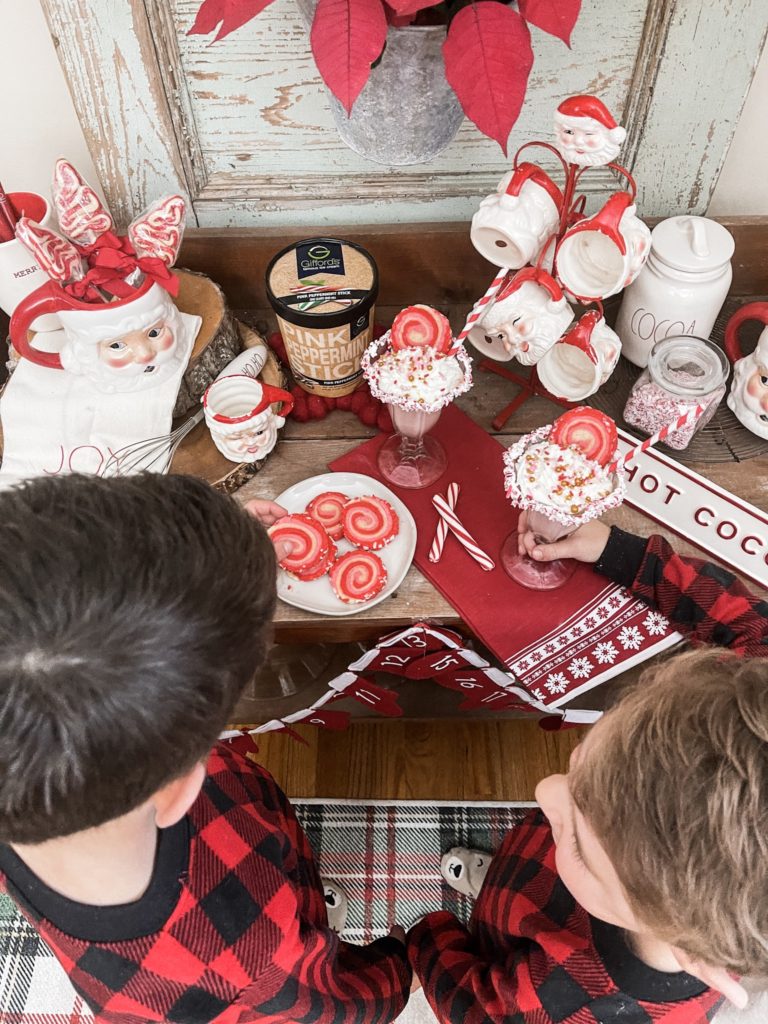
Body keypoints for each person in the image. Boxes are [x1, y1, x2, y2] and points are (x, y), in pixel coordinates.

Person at [0, 474, 411, 1024]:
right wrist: (403, 963)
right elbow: (343, 1005)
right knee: (302, 908)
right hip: (262, 898)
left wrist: (210, 563)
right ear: (182, 785)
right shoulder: (243, 952)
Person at [408, 517, 768, 1022]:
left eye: (577, 838)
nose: (545, 790)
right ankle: (508, 881)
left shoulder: (560, 1005)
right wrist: (620, 552)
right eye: (588, 763)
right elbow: (749, 620)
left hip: (511, 939)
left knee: (496, 924)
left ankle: (492, 900)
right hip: (534, 876)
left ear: (698, 959)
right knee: (509, 889)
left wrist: (429, 936)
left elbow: (470, 1001)